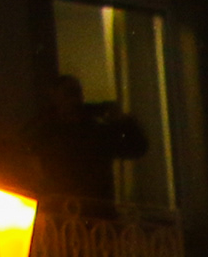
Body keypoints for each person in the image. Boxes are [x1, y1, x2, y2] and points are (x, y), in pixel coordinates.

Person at [24, 71, 146, 205]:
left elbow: (137, 148)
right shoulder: (46, 131)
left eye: (76, 93)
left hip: (94, 208)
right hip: (62, 207)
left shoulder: (96, 131)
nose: (74, 99)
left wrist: (125, 122)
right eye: (69, 93)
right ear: (55, 97)